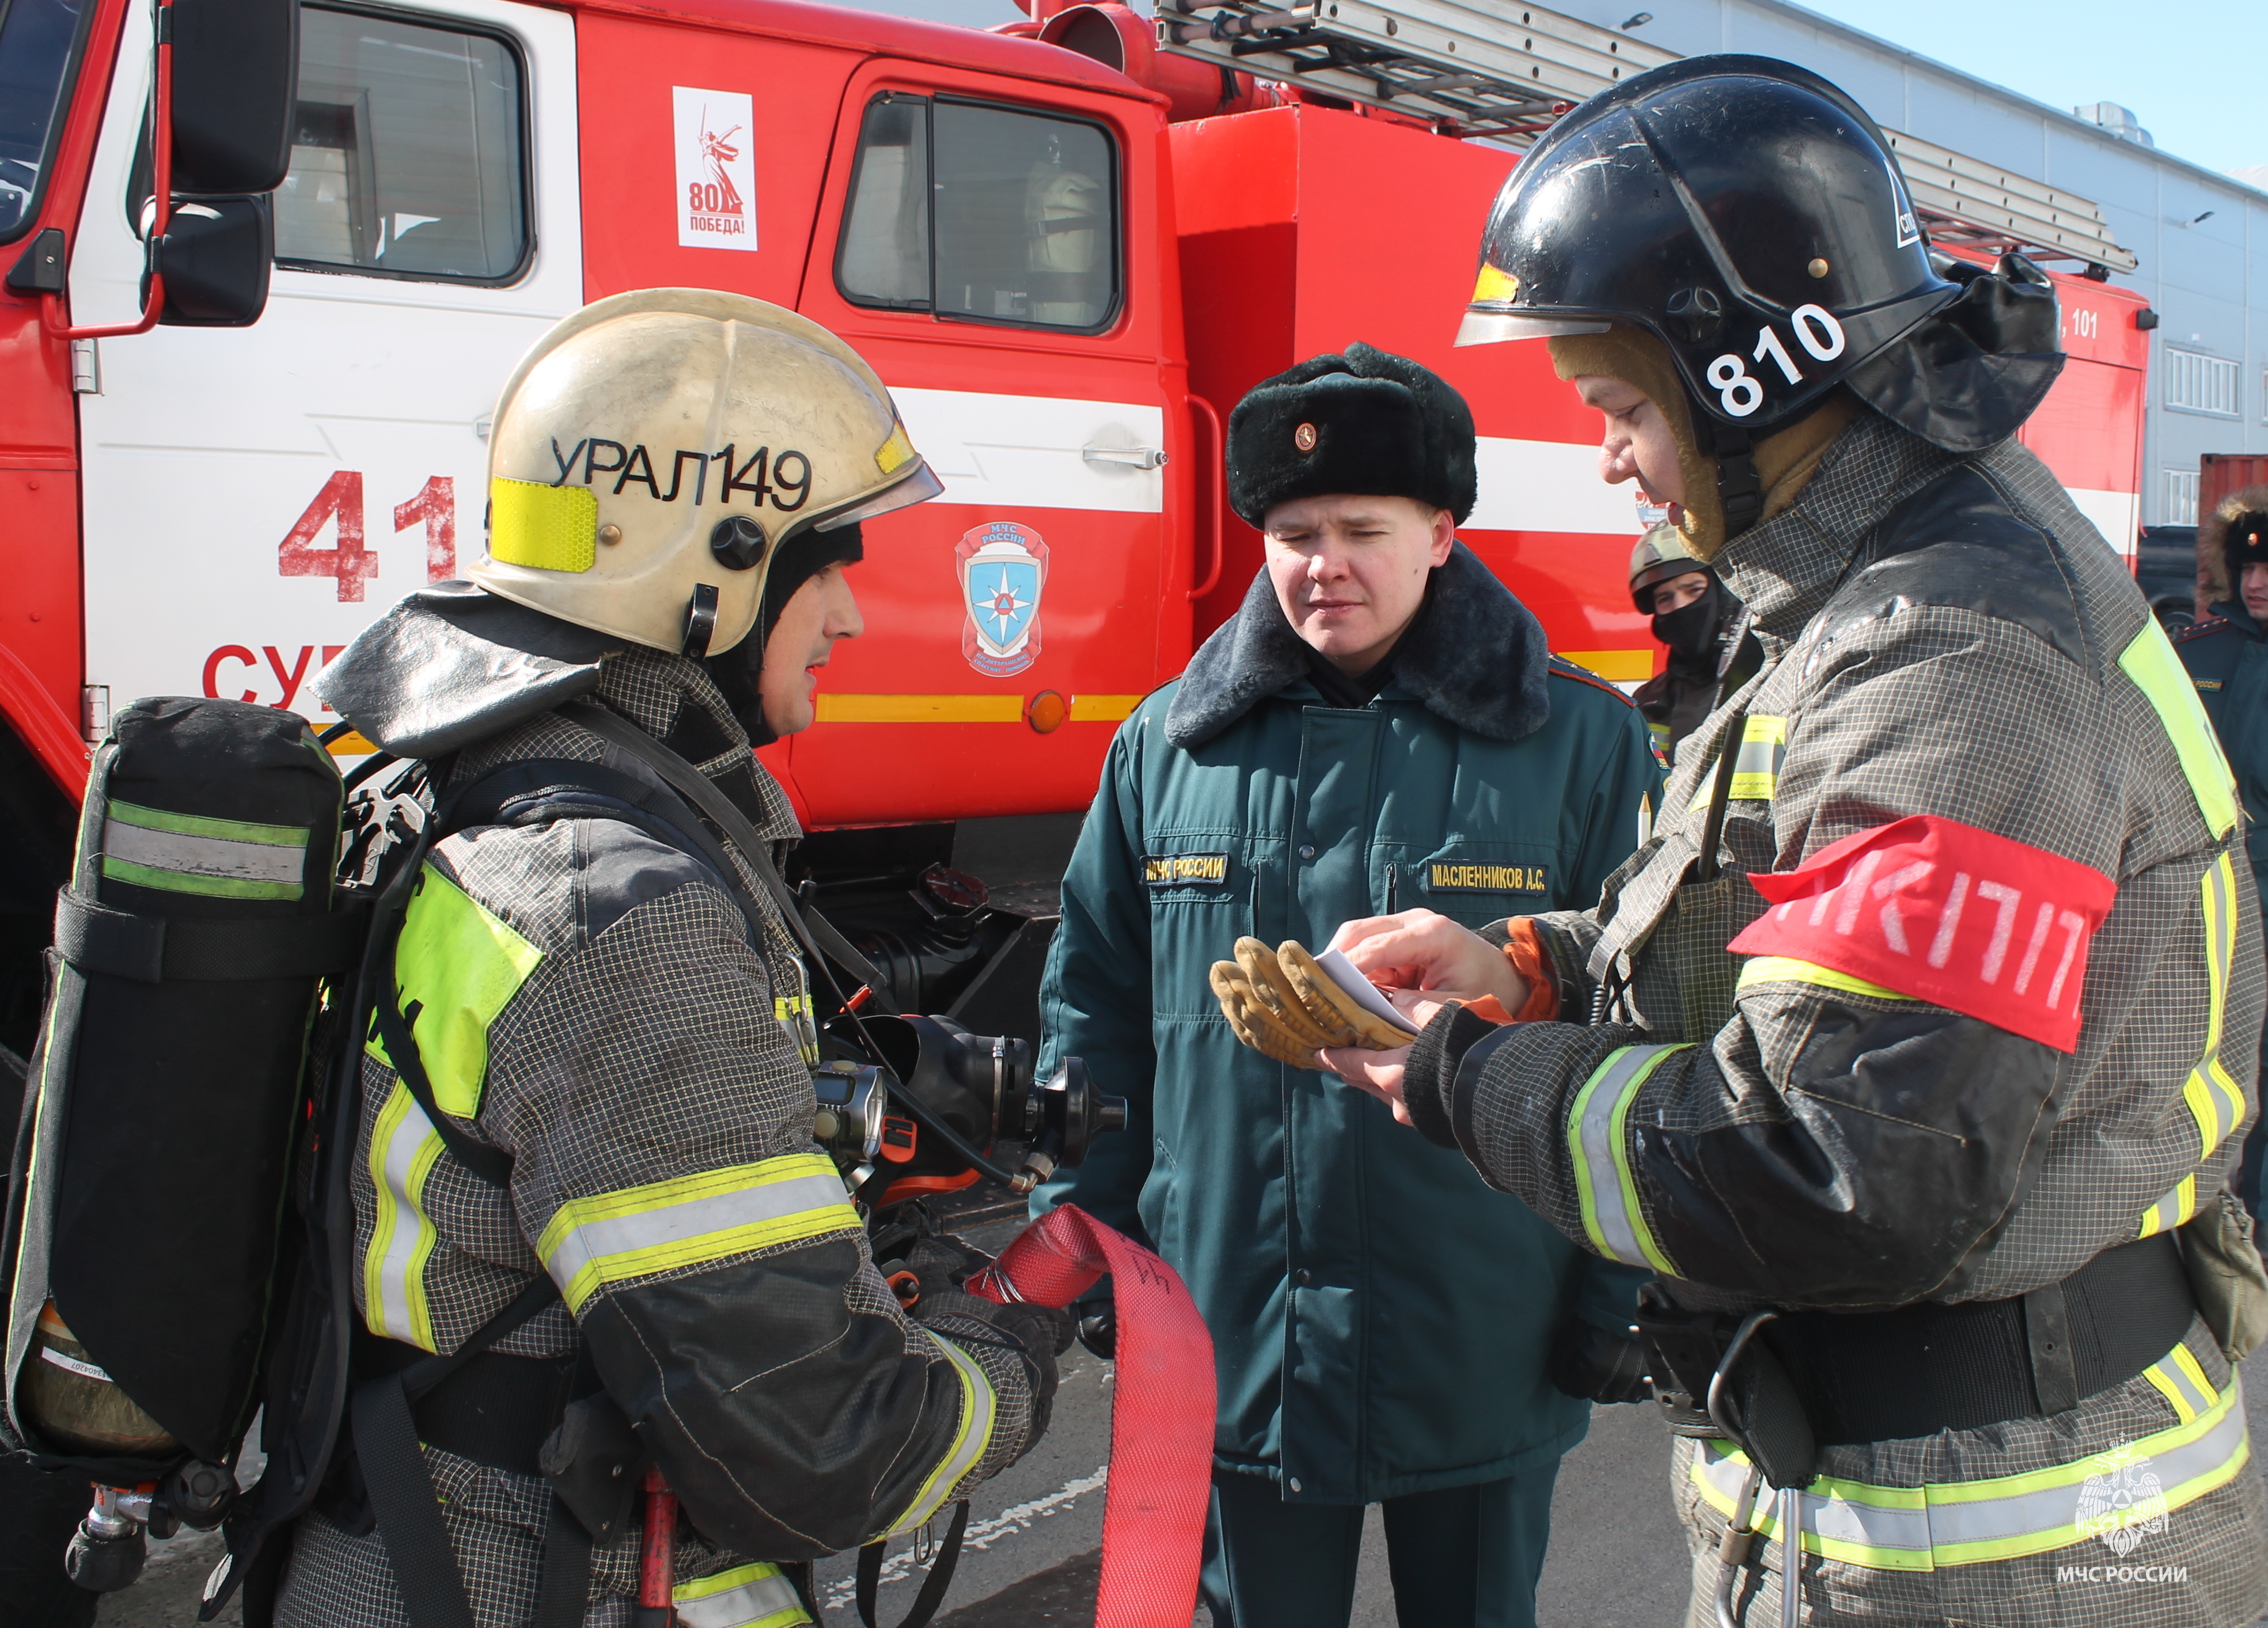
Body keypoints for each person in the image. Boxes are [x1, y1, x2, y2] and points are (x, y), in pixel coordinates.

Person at [1304, 56, 2268, 1628]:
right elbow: (1782, 932)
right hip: (1901, 1494)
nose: (1609, 456)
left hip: (1994, 1549)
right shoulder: (1854, 592)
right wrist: (1530, 974)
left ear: (1745, 376)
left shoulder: (1948, 652)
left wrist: (1462, 1077)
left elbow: (1836, 1172)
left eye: (1623, 407)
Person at [285, 291, 1068, 1627]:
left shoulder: (479, 793)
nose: (849, 616)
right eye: (826, 566)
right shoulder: (619, 916)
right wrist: (1013, 1339)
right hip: (543, 1581)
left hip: (404, 1538)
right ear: (714, 573)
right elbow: (829, 1447)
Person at [1034, 343, 1662, 1628]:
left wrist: (1618, 1292)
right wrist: (1089, 1242)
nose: (1325, 564)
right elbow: (1093, 1013)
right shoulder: (1165, 746)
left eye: (1362, 531)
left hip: (1484, 1329)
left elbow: (1645, 1016)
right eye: (1294, 534)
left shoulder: (1580, 742)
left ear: (1440, 534)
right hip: (1230, 1333)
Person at [2175, 487, 2268, 1225]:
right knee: (2189, 1057)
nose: (2256, 582)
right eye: (2248, 567)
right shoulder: (2196, 655)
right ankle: (2186, 1217)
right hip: (2209, 895)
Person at [1627, 523, 1762, 764]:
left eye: (1694, 590)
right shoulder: (1649, 700)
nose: (1680, 606)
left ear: (1726, 594)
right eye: (1665, 598)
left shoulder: (1766, 682)